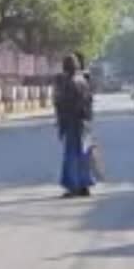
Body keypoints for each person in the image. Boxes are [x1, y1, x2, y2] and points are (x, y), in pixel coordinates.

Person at [56, 54, 94, 197]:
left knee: (71, 155)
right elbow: (89, 102)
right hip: (85, 122)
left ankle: (72, 186)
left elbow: (63, 106)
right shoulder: (84, 81)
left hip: (72, 121)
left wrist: (61, 126)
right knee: (84, 154)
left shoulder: (67, 82)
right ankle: (84, 185)